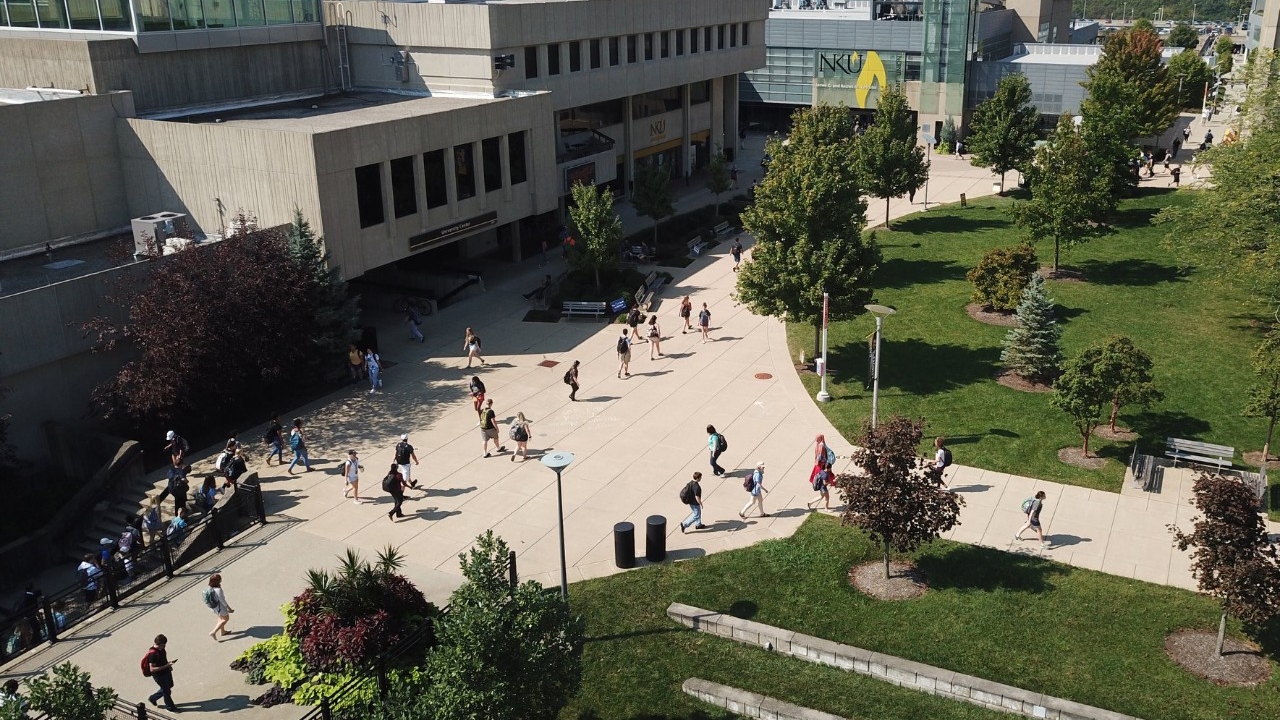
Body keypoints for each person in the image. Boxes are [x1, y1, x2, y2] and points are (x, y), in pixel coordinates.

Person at [144, 634, 180, 711]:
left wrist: (169, 666)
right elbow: (152, 669)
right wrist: (166, 665)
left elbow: (164, 659)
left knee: (170, 685)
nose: (165, 646)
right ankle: (170, 707)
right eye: (164, 644)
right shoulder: (153, 654)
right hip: (159, 676)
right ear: (159, 644)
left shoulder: (162, 650)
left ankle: (153, 698)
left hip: (166, 671)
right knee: (167, 691)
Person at [206, 573, 234, 641]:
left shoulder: (211, 588)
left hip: (215, 607)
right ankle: (213, 632)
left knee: (221, 618)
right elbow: (222, 600)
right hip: (220, 607)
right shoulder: (218, 590)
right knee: (225, 619)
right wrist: (229, 608)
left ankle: (223, 631)